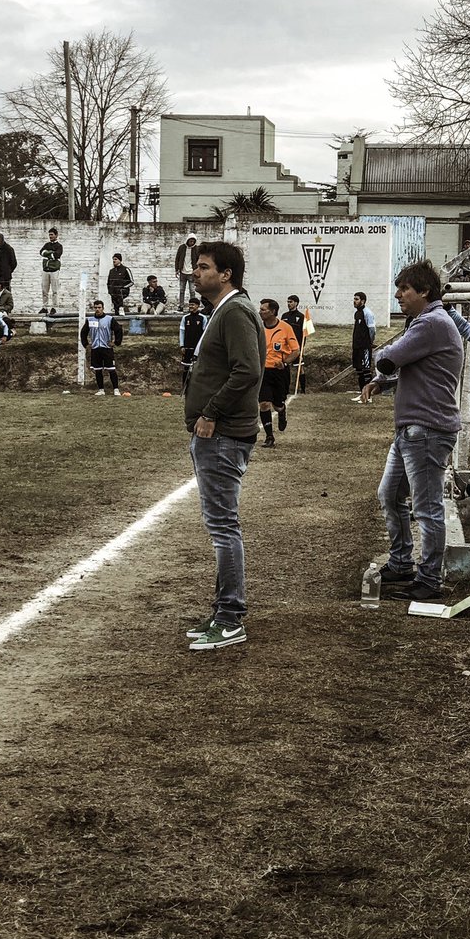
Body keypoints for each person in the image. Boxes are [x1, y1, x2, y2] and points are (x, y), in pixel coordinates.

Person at [360, 260, 464, 600]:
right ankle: (402, 563)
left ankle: (430, 580)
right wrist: (383, 380)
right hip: (414, 429)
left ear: (424, 292)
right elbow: (404, 366)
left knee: (427, 507)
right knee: (390, 495)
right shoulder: (425, 322)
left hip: (427, 430)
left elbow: (388, 357)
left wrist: (382, 364)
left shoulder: (430, 323)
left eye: (405, 289)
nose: (398, 294)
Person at [184, 241, 264, 651]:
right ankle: (222, 610)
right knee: (221, 525)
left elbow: (248, 370)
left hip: (223, 434)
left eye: (202, 267)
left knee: (222, 527)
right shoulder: (229, 309)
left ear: (226, 273)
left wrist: (211, 412)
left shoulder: (234, 310)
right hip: (220, 433)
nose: (195, 273)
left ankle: (231, 617)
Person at [258, 298, 299, 448]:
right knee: (263, 404)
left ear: (273, 311)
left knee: (277, 405)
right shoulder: (258, 328)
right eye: (260, 309)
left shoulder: (285, 328)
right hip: (263, 372)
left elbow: (296, 351)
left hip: (279, 372)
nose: (260, 312)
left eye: (263, 309)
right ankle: (269, 436)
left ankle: (282, 411)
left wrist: (285, 362)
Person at [80, 299, 123, 396]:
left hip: (106, 348)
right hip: (95, 348)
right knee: (98, 370)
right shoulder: (90, 320)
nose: (97, 309)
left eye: (99, 307)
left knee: (111, 369)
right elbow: (83, 332)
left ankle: (116, 389)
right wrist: (86, 344)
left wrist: (116, 342)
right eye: (95, 308)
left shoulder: (109, 319)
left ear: (103, 308)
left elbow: (118, 330)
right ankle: (101, 390)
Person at [179, 296, 207, 387]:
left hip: (198, 348)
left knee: (197, 368)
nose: (191, 306)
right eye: (190, 304)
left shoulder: (202, 318)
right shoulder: (185, 318)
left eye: (193, 305)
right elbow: (182, 332)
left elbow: (205, 333)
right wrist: (182, 345)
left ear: (198, 306)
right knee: (186, 368)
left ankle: (197, 387)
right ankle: (185, 387)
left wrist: (202, 346)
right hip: (187, 347)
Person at [351, 292, 376, 393]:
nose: (354, 301)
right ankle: (362, 393)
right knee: (359, 370)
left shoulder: (368, 313)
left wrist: (370, 341)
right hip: (357, 346)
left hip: (364, 346)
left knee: (366, 370)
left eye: (356, 299)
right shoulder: (357, 313)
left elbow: (372, 329)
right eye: (354, 299)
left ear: (363, 301)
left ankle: (368, 395)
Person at [281, 294, 307, 394]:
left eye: (291, 302)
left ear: (296, 303)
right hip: (285, 347)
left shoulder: (301, 317)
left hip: (296, 347)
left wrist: (301, 347)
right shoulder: (284, 316)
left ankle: (303, 390)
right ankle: (285, 389)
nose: (289, 304)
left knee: (300, 368)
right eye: (288, 302)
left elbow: (304, 334)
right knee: (285, 367)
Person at [40, 228, 62, 314]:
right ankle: (44, 307)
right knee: (44, 290)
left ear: (56, 235)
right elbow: (41, 252)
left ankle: (54, 308)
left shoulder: (59, 246)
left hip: (54, 271)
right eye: (49, 235)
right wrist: (51, 253)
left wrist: (48, 254)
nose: (50, 236)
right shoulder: (46, 244)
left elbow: (57, 254)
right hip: (45, 270)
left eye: (52, 235)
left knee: (55, 290)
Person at [175, 233, 199, 309]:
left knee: (192, 291)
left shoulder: (196, 249)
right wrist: (177, 270)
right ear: (187, 240)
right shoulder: (182, 248)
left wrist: (196, 271)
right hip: (183, 272)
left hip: (191, 273)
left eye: (193, 241)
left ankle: (193, 306)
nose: (192, 243)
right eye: (190, 241)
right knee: (182, 290)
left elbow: (199, 261)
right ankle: (181, 306)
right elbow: (177, 259)